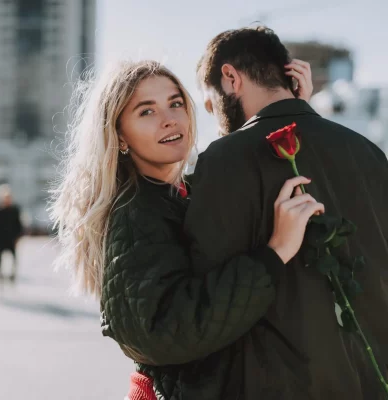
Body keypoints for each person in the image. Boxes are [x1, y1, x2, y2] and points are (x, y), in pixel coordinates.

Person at [49, 58, 319, 400]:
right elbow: (164, 333)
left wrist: (292, 111)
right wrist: (275, 252)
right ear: (119, 137)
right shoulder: (135, 213)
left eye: (175, 103)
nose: (169, 119)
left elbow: (239, 173)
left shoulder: (178, 195)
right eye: (146, 111)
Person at [180, 26, 386, 399]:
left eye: (209, 101)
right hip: (369, 380)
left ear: (230, 77)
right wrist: (301, 111)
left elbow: (208, 301)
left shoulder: (225, 159)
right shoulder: (369, 153)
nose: (212, 112)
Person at [0, 184, 23, 281]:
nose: (7, 199)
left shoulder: (15, 210)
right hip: (0, 239)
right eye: (5, 197)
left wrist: (18, 238)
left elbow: (19, 225)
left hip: (11, 239)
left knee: (14, 258)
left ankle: (12, 274)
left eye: (9, 197)